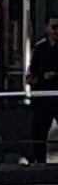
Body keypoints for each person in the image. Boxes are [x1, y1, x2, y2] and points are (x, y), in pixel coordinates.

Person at [28, 15, 58, 163]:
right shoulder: (40, 49)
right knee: (39, 131)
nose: (56, 31)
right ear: (47, 28)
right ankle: (39, 161)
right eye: (54, 27)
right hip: (43, 97)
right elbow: (32, 73)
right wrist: (40, 78)